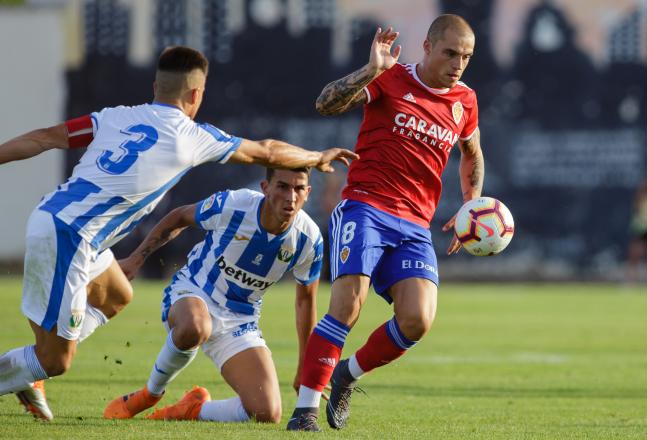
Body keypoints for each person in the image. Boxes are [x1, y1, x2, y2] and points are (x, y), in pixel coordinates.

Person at [0, 46, 357, 422]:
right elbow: (266, 150)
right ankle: (32, 369)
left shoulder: (114, 117)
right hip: (69, 235)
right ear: (196, 95)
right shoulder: (190, 136)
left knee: (118, 294)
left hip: (63, 222)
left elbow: (44, 138)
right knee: (56, 361)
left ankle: (28, 370)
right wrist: (316, 157)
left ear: (156, 85)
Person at [287, 15, 484, 431]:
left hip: (415, 225)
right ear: (427, 47)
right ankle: (304, 411)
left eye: (466, 56)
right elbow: (325, 103)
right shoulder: (391, 78)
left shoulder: (465, 100)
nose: (458, 63)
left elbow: (471, 152)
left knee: (417, 320)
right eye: (450, 53)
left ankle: (346, 375)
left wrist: (472, 205)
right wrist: (370, 70)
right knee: (348, 305)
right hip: (365, 207)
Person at [103, 167, 322, 423]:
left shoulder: (309, 239)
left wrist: (305, 369)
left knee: (268, 413)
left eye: (298, 189)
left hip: (241, 320)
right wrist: (136, 259)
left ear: (308, 193)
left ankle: (192, 410)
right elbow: (179, 217)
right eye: (282, 186)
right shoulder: (236, 205)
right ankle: (150, 394)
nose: (290, 196)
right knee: (196, 326)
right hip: (194, 291)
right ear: (265, 188)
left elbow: (306, 301)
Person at [626, 176, 647, 283]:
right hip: (641, 229)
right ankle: (632, 279)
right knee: (634, 254)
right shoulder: (641, 197)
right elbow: (637, 208)